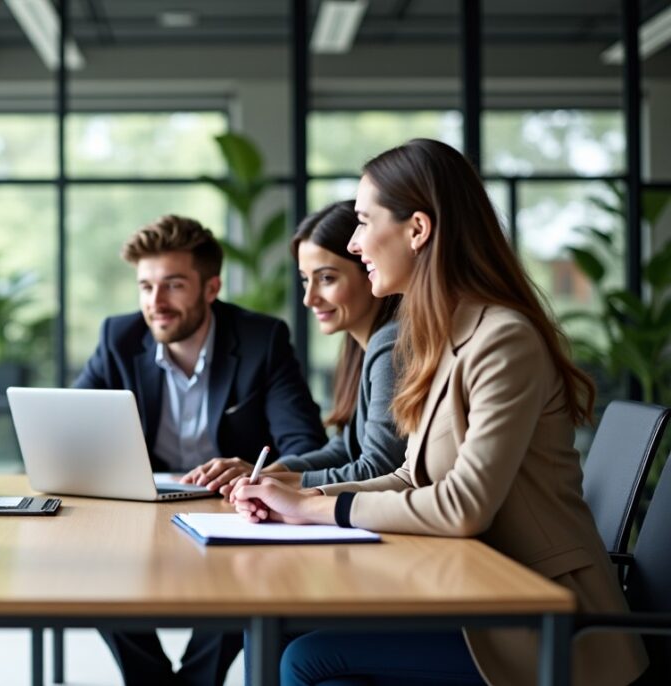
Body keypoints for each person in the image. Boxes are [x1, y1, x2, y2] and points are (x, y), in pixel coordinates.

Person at [232, 138, 648, 686]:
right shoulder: (445, 335)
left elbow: (463, 507)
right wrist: (299, 500)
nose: (354, 243)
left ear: (418, 230)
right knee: (282, 629)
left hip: (546, 622)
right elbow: (411, 475)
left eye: (362, 221)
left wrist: (312, 511)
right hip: (480, 592)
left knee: (305, 660)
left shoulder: (503, 340)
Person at [74, 214, 325, 686]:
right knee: (97, 572)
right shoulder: (118, 337)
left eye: (173, 285)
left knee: (245, 578)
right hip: (142, 508)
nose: (156, 303)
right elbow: (71, 431)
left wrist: (258, 471)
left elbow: (304, 443)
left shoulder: (260, 340)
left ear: (211, 288)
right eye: (146, 287)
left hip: (229, 508)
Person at [220, 200, 405, 497]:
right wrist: (272, 471)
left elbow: (378, 468)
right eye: (306, 280)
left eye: (327, 278)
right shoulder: (360, 347)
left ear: (369, 270)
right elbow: (344, 447)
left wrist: (287, 484)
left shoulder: (391, 344)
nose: (309, 298)